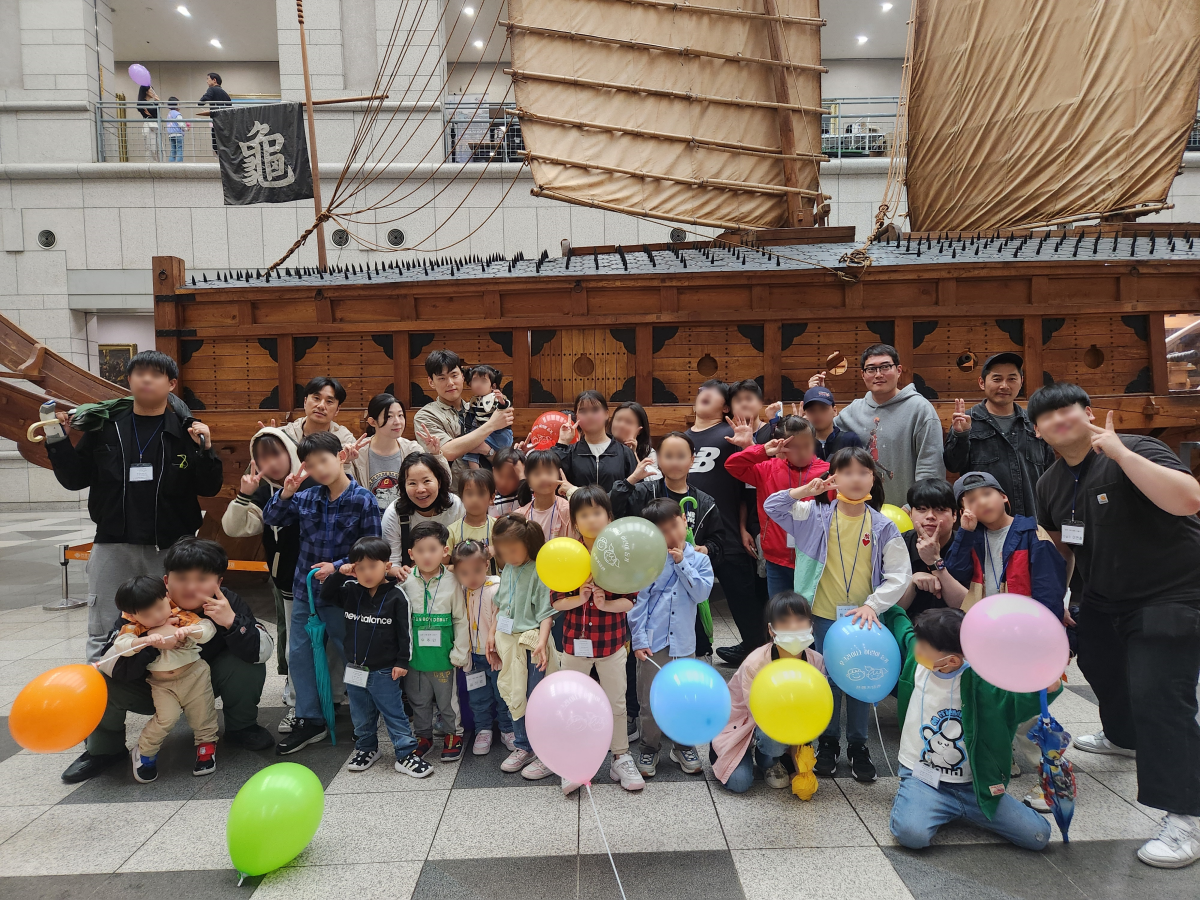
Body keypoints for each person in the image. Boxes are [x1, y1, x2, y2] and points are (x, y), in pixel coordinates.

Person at [1030, 381, 1200, 868]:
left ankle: (1185, 817)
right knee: (1100, 667)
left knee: (1160, 697)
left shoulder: (1135, 449)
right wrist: (1058, 599)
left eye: (1067, 408)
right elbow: (1063, 547)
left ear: (1088, 412)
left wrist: (1122, 454)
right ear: (1038, 432)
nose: (1059, 419)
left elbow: (1188, 499)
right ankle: (1123, 739)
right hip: (1102, 597)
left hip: (1169, 595)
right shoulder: (1050, 483)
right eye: (1046, 415)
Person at [44, 349, 221, 663]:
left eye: (156, 374)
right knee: (104, 624)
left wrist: (206, 450)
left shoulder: (185, 430)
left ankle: (173, 687)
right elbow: (74, 479)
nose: (147, 380)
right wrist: (58, 439)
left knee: (175, 622)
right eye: (140, 373)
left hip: (171, 547)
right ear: (129, 380)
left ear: (171, 384)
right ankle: (103, 687)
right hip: (113, 542)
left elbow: (208, 488)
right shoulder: (105, 427)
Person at [63, 538, 274, 783]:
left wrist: (232, 623)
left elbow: (262, 652)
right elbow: (111, 663)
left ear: (218, 582)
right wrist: (150, 642)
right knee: (101, 680)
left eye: (202, 579)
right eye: (181, 578)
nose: (191, 587)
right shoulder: (142, 602)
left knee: (245, 660)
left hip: (202, 685)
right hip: (153, 689)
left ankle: (242, 728)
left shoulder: (228, 603)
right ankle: (104, 750)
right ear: (166, 581)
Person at [764, 446, 911, 782]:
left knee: (860, 681)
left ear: (873, 479)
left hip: (863, 619)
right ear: (834, 477)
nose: (855, 479)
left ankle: (858, 745)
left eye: (863, 472)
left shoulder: (883, 526)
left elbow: (899, 574)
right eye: (846, 472)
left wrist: (873, 605)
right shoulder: (813, 515)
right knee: (826, 680)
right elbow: (772, 506)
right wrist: (806, 489)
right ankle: (828, 742)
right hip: (820, 615)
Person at [887, 607, 1058, 851]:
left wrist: (1046, 688)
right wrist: (880, 607)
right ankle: (922, 801)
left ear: (952, 660)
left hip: (974, 785)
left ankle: (962, 808)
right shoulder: (918, 662)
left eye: (923, 647)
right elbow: (902, 629)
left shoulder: (983, 682)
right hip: (924, 778)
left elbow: (1015, 704)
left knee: (1038, 835)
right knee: (912, 835)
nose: (916, 650)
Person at [263, 431, 382, 755]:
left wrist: (340, 565)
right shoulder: (306, 497)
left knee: (351, 655)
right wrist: (286, 492)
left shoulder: (363, 499)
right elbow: (271, 517)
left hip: (346, 593)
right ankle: (310, 719)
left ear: (341, 457)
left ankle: (364, 720)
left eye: (323, 460)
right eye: (310, 464)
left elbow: (373, 549)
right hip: (307, 592)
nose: (318, 469)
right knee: (300, 655)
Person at [221, 425, 318, 733]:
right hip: (288, 582)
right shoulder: (262, 492)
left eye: (276, 454)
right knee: (296, 645)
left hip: (325, 578)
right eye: (263, 457)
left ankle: (335, 697)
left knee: (328, 642)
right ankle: (297, 701)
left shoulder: (316, 482)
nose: (271, 463)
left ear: (290, 452)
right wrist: (243, 495)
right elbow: (234, 528)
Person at [550, 486, 645, 793]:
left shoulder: (620, 556)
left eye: (597, 512)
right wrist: (579, 599)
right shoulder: (566, 555)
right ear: (575, 523)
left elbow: (630, 601)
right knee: (573, 702)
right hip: (574, 643)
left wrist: (606, 605)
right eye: (584, 514)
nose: (591, 519)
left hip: (611, 643)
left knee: (616, 701)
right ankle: (573, 761)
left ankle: (620, 757)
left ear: (609, 517)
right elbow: (556, 601)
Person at [321, 536, 432, 778]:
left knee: (394, 713)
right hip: (355, 668)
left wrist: (402, 662)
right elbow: (326, 595)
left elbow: (405, 633)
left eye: (373, 566)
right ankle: (367, 748)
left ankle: (406, 753)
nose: (367, 573)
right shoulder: (350, 591)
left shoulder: (397, 596)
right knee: (360, 713)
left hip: (384, 670)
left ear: (387, 566)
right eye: (360, 568)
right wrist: (340, 574)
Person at [629, 498, 714, 779]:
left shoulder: (700, 559)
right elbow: (638, 604)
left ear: (684, 521)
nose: (671, 534)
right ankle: (649, 747)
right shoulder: (648, 563)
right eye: (662, 531)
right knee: (649, 699)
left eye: (674, 526)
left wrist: (682, 563)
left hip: (684, 643)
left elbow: (701, 594)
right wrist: (639, 640)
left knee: (683, 698)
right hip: (653, 644)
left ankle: (683, 746)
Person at [712, 591, 827, 796]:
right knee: (739, 783)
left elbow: (814, 710)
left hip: (785, 726)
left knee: (776, 739)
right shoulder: (756, 662)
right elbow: (758, 713)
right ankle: (724, 750)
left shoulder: (816, 661)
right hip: (746, 724)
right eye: (784, 621)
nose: (793, 627)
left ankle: (769, 761)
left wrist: (801, 767)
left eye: (800, 619)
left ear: (811, 625)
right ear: (771, 630)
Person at [685, 379, 767, 665]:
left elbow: (750, 486)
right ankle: (696, 652)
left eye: (715, 393)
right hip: (687, 535)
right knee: (687, 598)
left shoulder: (731, 434)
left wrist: (744, 527)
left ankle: (758, 650)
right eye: (701, 390)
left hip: (728, 530)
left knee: (742, 598)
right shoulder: (681, 439)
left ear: (724, 407)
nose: (705, 394)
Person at [106, 575, 218, 782]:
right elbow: (121, 646)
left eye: (160, 607)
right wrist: (145, 640)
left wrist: (192, 630)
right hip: (161, 684)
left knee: (203, 713)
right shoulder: (133, 627)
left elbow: (208, 629)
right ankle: (145, 750)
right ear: (131, 614)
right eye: (147, 614)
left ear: (167, 597)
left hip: (195, 675)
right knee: (166, 717)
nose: (157, 616)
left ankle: (206, 745)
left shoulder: (181, 615)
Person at [819, 344, 944, 507]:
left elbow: (930, 466)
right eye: (871, 369)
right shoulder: (853, 411)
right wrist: (821, 404)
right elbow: (823, 436)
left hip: (906, 511)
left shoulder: (920, 409)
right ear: (863, 375)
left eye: (885, 367)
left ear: (899, 370)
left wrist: (915, 506)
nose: (878, 374)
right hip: (859, 512)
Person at [726, 416, 831, 601]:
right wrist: (763, 450)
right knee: (780, 613)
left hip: (814, 559)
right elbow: (732, 465)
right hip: (777, 559)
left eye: (807, 445)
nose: (802, 452)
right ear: (782, 446)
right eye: (794, 447)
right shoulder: (767, 469)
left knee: (812, 612)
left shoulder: (827, 472)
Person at [489, 514, 559, 780]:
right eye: (503, 551)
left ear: (528, 543)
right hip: (508, 642)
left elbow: (546, 612)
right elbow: (500, 605)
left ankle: (547, 752)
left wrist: (542, 642)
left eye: (513, 550)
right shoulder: (508, 568)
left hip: (532, 643)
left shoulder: (539, 570)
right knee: (514, 694)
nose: (508, 556)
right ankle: (523, 746)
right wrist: (491, 635)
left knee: (537, 696)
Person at [943, 352, 1055, 517]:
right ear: (982, 383)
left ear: (1021, 382)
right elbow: (953, 465)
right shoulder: (966, 421)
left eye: (1012, 379)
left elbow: (1050, 473)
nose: (1004, 386)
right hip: (985, 521)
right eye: (997, 379)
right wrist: (961, 435)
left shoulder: (1034, 423)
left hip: (1032, 520)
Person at [395, 521, 469, 762]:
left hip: (443, 656)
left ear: (445, 551)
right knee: (418, 700)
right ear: (411, 554)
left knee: (448, 701)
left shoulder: (453, 581)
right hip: (415, 657)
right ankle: (423, 736)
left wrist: (459, 652)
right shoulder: (405, 582)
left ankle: (453, 734)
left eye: (432, 549)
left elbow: (460, 619)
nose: (426, 556)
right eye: (420, 550)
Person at [944, 471, 1065, 617]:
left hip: (1024, 620)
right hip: (984, 619)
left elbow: (1049, 590)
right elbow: (957, 572)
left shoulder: (1032, 534)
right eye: (972, 500)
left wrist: (1045, 622)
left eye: (987, 494)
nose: (982, 502)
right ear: (963, 511)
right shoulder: (971, 538)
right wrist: (965, 532)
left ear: (1003, 497)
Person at [413, 349, 515, 484]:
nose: (450, 383)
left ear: (462, 376)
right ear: (431, 382)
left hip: (490, 489)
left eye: (454, 375)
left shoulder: (480, 409)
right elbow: (446, 451)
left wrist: (488, 451)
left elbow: (502, 458)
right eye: (442, 378)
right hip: (453, 492)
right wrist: (491, 425)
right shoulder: (426, 416)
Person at [452, 539, 513, 755]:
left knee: (502, 693)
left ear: (487, 565)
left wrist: (496, 648)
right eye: (464, 573)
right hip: (473, 657)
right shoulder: (459, 591)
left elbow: (504, 620)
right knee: (478, 697)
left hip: (496, 655)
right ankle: (483, 730)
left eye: (477, 570)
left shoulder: (496, 589)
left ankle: (508, 729)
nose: (472, 577)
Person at [349, 392, 447, 508]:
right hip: (369, 516)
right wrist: (345, 463)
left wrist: (436, 454)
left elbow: (444, 483)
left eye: (400, 415)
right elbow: (346, 492)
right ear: (372, 422)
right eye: (389, 417)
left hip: (405, 515)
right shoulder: (358, 452)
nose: (397, 422)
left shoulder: (412, 449)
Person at [381, 452, 466, 570]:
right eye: (412, 483)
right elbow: (392, 563)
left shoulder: (456, 506)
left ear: (439, 481)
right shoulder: (394, 513)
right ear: (403, 486)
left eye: (426, 481)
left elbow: (464, 555)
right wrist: (401, 572)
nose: (420, 489)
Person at [898, 479, 965, 617]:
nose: (930, 516)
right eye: (921, 509)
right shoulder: (897, 544)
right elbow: (886, 610)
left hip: (955, 627)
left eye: (940, 509)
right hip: (906, 627)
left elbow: (970, 608)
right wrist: (913, 582)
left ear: (954, 515)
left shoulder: (968, 546)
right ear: (910, 514)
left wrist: (935, 563)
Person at [554, 390, 638, 490]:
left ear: (606, 414)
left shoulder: (624, 453)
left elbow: (637, 491)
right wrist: (562, 443)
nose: (589, 415)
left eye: (595, 410)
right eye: (583, 411)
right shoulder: (570, 453)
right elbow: (551, 480)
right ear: (577, 417)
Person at [281, 376, 357, 450]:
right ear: (305, 402)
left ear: (337, 410)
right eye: (316, 398)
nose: (321, 406)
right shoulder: (284, 435)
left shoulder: (346, 441)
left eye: (329, 401)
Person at [516, 449, 576, 540]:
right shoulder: (520, 516)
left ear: (559, 476)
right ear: (528, 481)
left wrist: (571, 490)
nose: (543, 478)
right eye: (537, 473)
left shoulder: (569, 510)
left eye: (549, 472)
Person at [462, 364, 514, 467]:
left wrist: (501, 401)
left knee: (472, 445)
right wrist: (467, 433)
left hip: (499, 434)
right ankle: (475, 474)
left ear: (493, 386)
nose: (478, 384)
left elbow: (504, 408)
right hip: (485, 434)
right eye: (475, 380)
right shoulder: (473, 401)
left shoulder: (495, 397)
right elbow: (470, 418)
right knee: (470, 447)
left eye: (483, 381)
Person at [449, 469, 497, 571]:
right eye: (469, 494)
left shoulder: (498, 527)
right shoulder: (452, 531)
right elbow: (442, 567)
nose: (475, 499)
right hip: (462, 581)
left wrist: (497, 550)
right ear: (461, 497)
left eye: (481, 494)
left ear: (492, 497)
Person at [801, 385, 864, 461]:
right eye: (811, 410)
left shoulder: (850, 440)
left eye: (823, 409)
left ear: (834, 411)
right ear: (805, 413)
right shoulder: (802, 444)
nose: (817, 414)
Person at [610, 400, 654, 466]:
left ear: (640, 430)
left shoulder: (648, 452)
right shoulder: (603, 446)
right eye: (618, 419)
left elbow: (650, 473)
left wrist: (633, 452)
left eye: (628, 422)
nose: (621, 425)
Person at [198, 71, 231, 155]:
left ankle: (220, 157)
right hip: (225, 122)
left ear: (214, 80)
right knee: (224, 142)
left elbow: (203, 100)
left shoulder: (212, 89)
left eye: (208, 79)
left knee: (215, 143)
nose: (207, 81)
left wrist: (199, 103)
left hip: (217, 120)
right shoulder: (224, 93)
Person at [489, 447, 525, 517]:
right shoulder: (490, 499)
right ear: (493, 471)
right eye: (499, 475)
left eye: (511, 477)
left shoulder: (527, 495)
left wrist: (522, 476)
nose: (503, 483)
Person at [165, 97, 187, 162]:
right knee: (179, 150)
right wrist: (186, 128)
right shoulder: (177, 114)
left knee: (173, 150)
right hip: (178, 134)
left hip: (171, 134)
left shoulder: (169, 114)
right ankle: (179, 164)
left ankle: (171, 165)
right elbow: (181, 124)